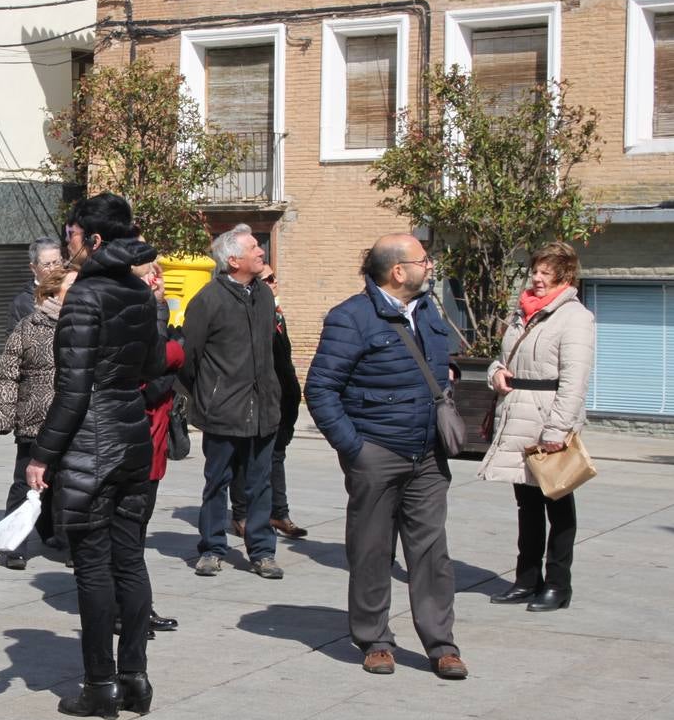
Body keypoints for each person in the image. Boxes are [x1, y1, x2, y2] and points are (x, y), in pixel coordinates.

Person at [305, 234, 467, 680]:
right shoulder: (350, 318)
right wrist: (356, 449)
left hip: (428, 455)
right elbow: (320, 389)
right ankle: (374, 639)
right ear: (398, 271)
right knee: (372, 550)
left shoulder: (429, 312)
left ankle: (441, 645)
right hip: (377, 452)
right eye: (423, 260)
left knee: (432, 553)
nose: (429, 266)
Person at [26, 193, 163, 719]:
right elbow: (153, 369)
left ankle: (100, 685)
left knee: (92, 568)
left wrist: (42, 454)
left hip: (92, 441)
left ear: (96, 239)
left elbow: (74, 390)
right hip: (130, 436)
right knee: (129, 559)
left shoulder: (85, 298)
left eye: (73, 235)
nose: (68, 244)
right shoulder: (142, 294)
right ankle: (135, 678)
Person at [479, 242, 595, 613]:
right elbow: (502, 358)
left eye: (546, 272)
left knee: (558, 505)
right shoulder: (523, 311)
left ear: (565, 275)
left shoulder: (575, 317)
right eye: (536, 271)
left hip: (548, 420)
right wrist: (495, 374)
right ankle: (527, 579)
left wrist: (557, 431)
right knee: (526, 505)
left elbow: (575, 380)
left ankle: (558, 585)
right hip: (516, 417)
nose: (537, 278)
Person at [179, 224, 284, 580]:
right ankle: (211, 548)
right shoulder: (208, 300)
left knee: (259, 484)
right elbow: (188, 357)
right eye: (253, 247)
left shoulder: (265, 296)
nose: (261, 251)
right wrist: (208, 395)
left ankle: (262, 551)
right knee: (217, 482)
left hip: (264, 409)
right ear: (233, 259)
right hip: (222, 410)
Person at [0, 265, 75, 570]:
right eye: (72, 286)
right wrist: (7, 417)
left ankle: (69, 544)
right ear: (55, 290)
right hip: (34, 418)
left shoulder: (85, 326)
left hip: (72, 419)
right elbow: (7, 374)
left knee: (69, 485)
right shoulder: (29, 326)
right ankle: (12, 546)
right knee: (24, 483)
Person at [229, 263, 307, 541]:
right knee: (242, 458)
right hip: (253, 398)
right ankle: (241, 515)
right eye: (268, 278)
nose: (275, 282)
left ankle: (279, 512)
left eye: (275, 277)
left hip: (282, 398)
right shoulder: (246, 313)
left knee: (276, 455)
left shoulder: (276, 314)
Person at [134, 260, 182, 634]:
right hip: (132, 442)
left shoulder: (154, 314)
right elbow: (149, 378)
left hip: (153, 444)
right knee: (128, 535)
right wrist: (174, 357)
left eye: (159, 273)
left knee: (136, 533)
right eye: (150, 273)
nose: (158, 279)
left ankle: (138, 608)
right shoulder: (130, 320)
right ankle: (130, 611)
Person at [8, 236, 64, 330]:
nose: (53, 269)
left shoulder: (72, 291)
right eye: (46, 265)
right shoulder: (22, 303)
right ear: (33, 268)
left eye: (56, 263)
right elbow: (12, 340)